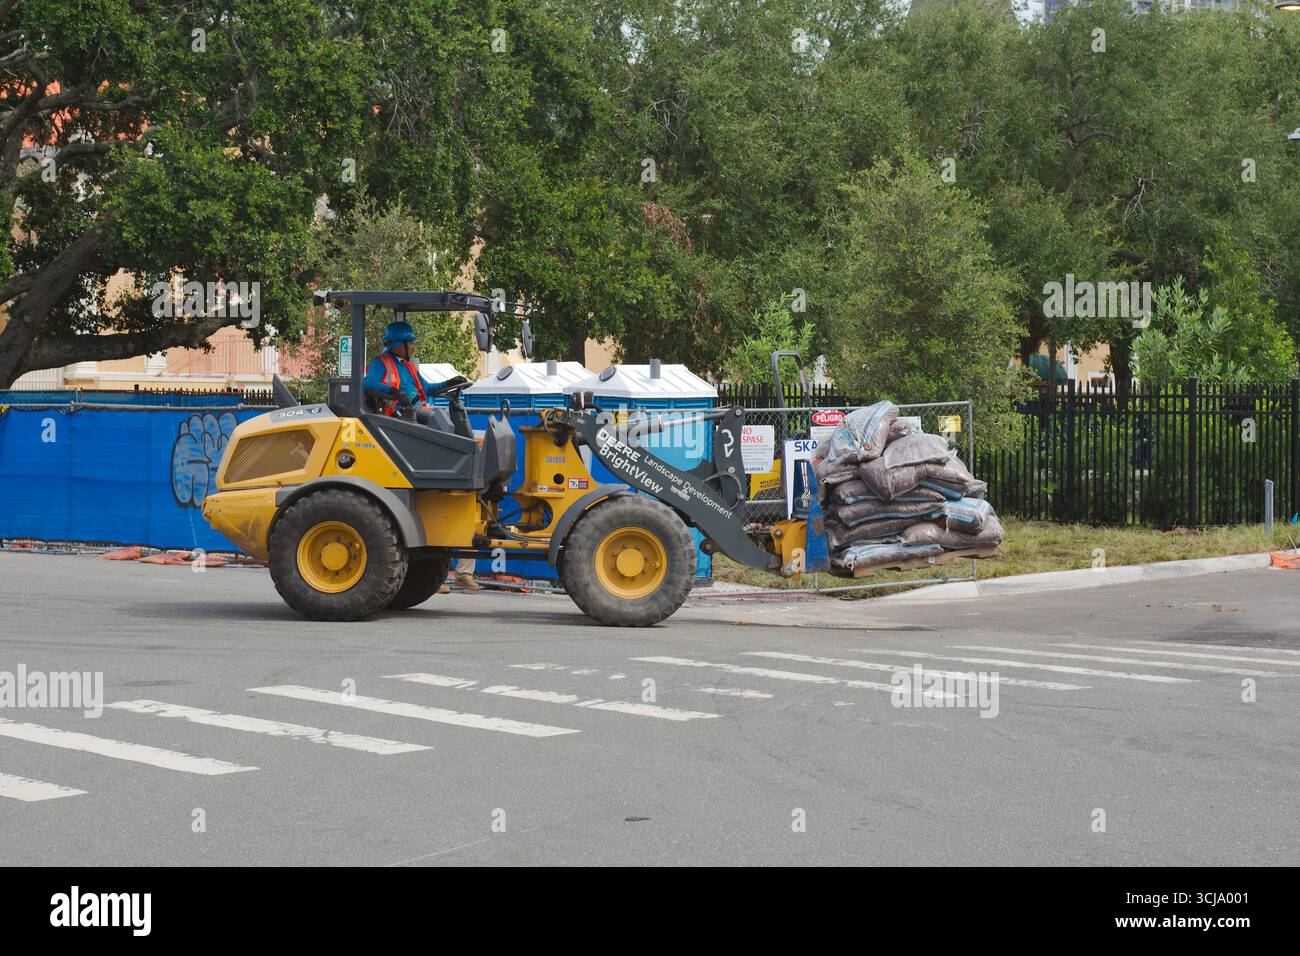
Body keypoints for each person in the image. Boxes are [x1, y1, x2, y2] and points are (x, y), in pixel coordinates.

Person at [362, 319, 453, 425]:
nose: (412, 347)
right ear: (398, 344)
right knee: (436, 420)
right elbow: (367, 384)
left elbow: (426, 388)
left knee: (441, 417)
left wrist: (449, 383)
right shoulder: (381, 363)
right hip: (398, 416)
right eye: (410, 342)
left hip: (413, 413)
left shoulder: (408, 366)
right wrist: (394, 391)